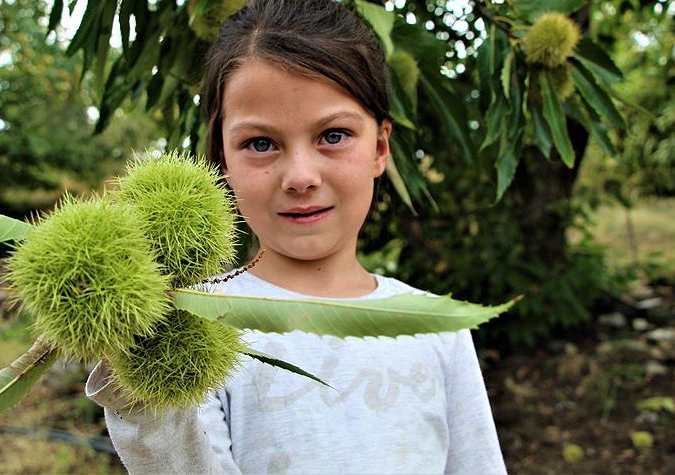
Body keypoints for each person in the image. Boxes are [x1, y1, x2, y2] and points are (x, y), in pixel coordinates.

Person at [86, 0, 507, 473]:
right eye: (260, 144)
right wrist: (127, 346)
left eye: (333, 135)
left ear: (380, 147)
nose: (300, 176)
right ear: (221, 162)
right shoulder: (193, 319)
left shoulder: (439, 328)